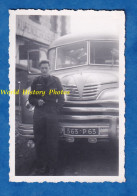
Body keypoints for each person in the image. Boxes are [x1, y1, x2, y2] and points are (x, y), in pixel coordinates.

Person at [28, 60, 64, 175]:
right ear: (40, 69)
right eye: (42, 68)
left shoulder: (56, 81)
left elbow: (61, 98)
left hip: (52, 113)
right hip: (39, 114)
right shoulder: (36, 81)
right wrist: (37, 101)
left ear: (50, 68)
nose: (44, 70)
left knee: (52, 141)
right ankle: (42, 166)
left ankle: (52, 168)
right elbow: (30, 98)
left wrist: (56, 110)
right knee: (39, 140)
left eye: (46, 68)